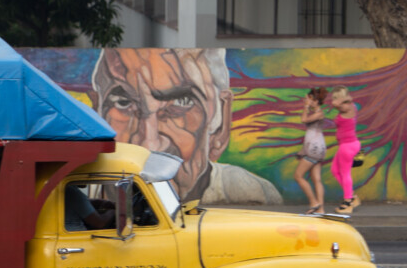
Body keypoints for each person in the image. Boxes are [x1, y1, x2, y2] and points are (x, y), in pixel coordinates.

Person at [91, 48, 282, 205]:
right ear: (95, 112)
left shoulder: (253, 195)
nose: (150, 145)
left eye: (182, 102)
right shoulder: (72, 193)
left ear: (221, 125)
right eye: (123, 102)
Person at [294, 88, 330, 215]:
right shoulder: (317, 113)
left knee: (298, 176)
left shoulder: (319, 113)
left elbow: (303, 120)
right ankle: (320, 209)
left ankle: (314, 203)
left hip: (314, 149)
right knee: (316, 179)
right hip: (317, 149)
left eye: (308, 98)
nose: (306, 100)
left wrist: (305, 107)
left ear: (315, 101)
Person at [328, 85, 362, 216]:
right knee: (335, 171)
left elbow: (336, 103)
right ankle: (352, 196)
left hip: (347, 146)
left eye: (336, 98)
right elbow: (339, 103)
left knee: (345, 173)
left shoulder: (347, 108)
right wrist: (344, 96)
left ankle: (348, 202)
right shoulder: (351, 107)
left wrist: (342, 97)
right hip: (348, 145)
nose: (334, 101)